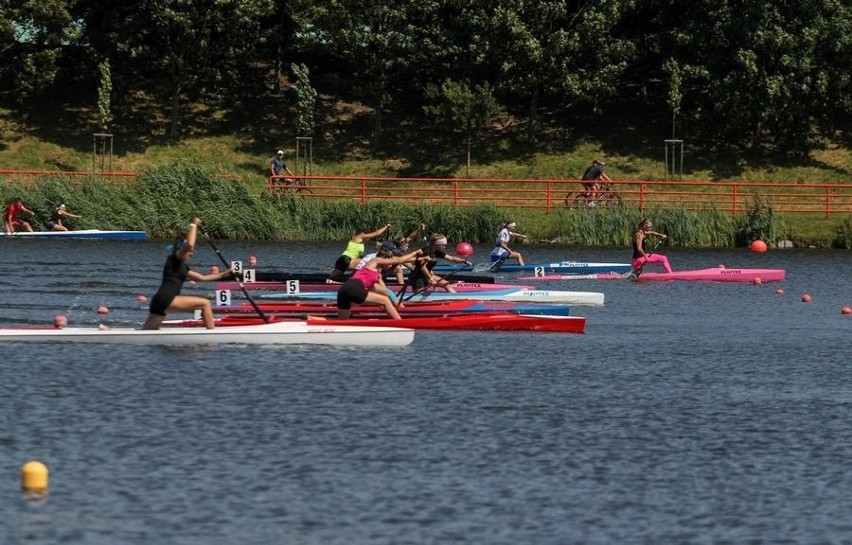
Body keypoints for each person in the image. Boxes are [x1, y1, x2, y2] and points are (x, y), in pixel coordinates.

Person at [142, 217, 237, 330]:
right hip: (167, 298)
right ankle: (212, 336)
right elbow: (190, 245)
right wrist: (194, 225)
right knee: (205, 303)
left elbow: (203, 278)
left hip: (158, 301)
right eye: (190, 252)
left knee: (147, 334)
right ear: (181, 248)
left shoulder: (181, 266)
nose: (191, 253)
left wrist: (224, 274)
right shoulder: (176, 257)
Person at [336, 245, 421, 319]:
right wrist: (415, 252)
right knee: (385, 300)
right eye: (389, 262)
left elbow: (383, 291)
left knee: (342, 323)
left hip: (344, 290)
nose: (390, 265)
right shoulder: (374, 261)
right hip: (353, 288)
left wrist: (420, 258)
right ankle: (401, 323)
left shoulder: (375, 273)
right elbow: (399, 260)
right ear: (384, 260)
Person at [407, 233, 472, 293]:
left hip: (427, 275)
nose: (444, 247)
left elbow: (451, 258)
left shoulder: (437, 252)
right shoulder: (426, 252)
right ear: (436, 244)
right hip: (418, 277)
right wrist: (431, 278)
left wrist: (464, 261)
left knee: (446, 284)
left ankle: (456, 298)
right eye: (443, 245)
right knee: (419, 293)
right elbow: (423, 268)